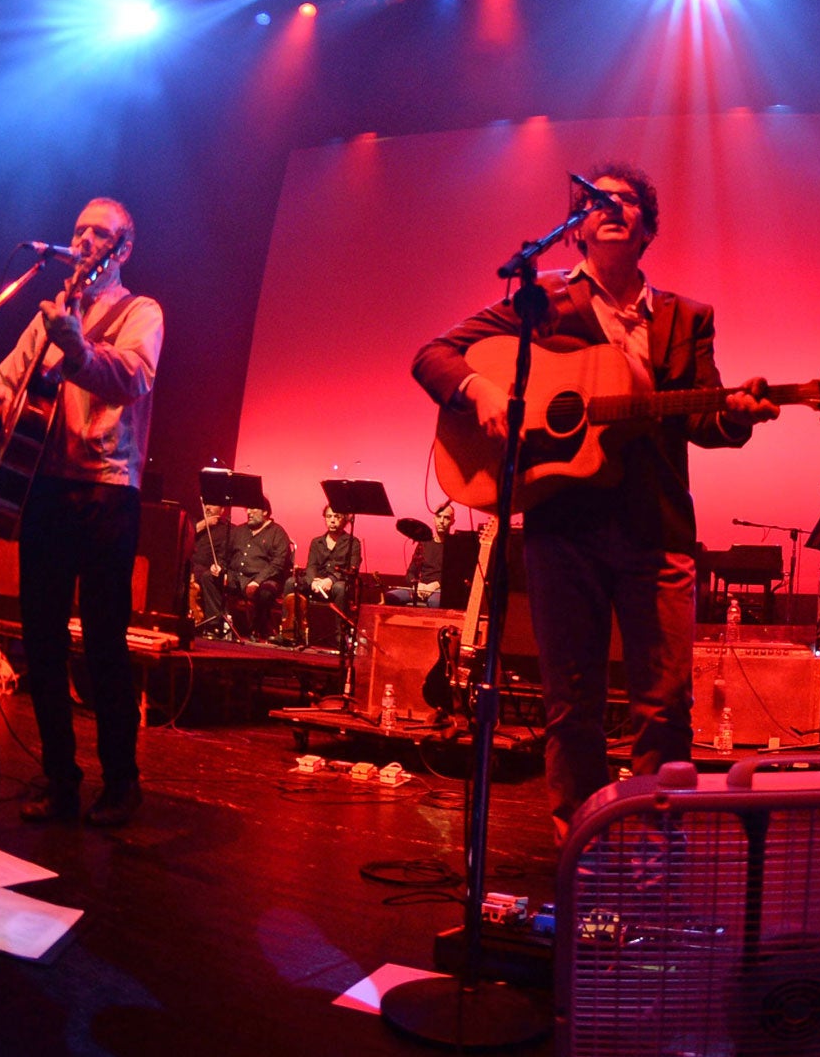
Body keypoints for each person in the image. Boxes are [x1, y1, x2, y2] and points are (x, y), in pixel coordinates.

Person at [414, 163, 778, 838]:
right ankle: (576, 835)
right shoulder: (541, 301)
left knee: (665, 701)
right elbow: (434, 354)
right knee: (570, 701)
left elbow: (702, 419)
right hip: (563, 523)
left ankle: (651, 839)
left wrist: (741, 413)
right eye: (594, 200)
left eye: (628, 200)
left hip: (657, 524)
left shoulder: (685, 318)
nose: (611, 207)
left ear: (647, 228)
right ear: (576, 228)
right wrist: (480, 389)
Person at [0, 198, 161, 828]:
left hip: (108, 487)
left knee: (104, 642)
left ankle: (121, 782)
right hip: (46, 488)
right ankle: (59, 778)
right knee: (42, 641)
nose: (83, 240)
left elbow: (133, 376)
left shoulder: (142, 312)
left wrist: (78, 350)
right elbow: (9, 380)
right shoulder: (52, 312)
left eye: (99, 234)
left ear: (123, 249)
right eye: (78, 230)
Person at [233, 502, 291, 639]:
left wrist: (257, 581)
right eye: (248, 508)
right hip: (238, 576)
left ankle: (257, 629)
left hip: (264, 579)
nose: (248, 512)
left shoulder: (278, 533)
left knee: (266, 593)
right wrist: (221, 569)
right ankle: (215, 625)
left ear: (265, 511)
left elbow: (278, 563)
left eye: (253, 508)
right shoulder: (239, 530)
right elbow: (226, 554)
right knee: (209, 578)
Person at [188, 502, 246, 637]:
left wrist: (218, 566)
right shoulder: (196, 523)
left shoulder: (229, 530)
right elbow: (183, 536)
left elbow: (225, 557)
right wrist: (204, 524)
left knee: (202, 575)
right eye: (206, 504)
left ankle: (209, 624)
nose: (207, 507)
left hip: (206, 570)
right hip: (188, 565)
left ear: (222, 510)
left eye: (212, 505)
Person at [386, 503, 456, 607]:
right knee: (391, 596)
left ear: (452, 522)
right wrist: (418, 585)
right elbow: (410, 573)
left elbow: (454, 576)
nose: (441, 521)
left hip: (439, 590)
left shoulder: (455, 545)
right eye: (438, 517)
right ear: (434, 519)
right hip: (421, 588)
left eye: (446, 518)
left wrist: (435, 585)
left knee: (435, 602)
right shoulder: (424, 543)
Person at [300, 505, 362, 618]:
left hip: (337, 582)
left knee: (340, 588)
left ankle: (338, 632)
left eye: (336, 517)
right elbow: (311, 566)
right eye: (328, 516)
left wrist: (331, 580)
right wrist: (313, 581)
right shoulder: (316, 542)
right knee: (291, 582)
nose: (332, 520)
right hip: (317, 581)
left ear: (345, 519)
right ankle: (290, 630)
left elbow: (352, 569)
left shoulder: (353, 542)